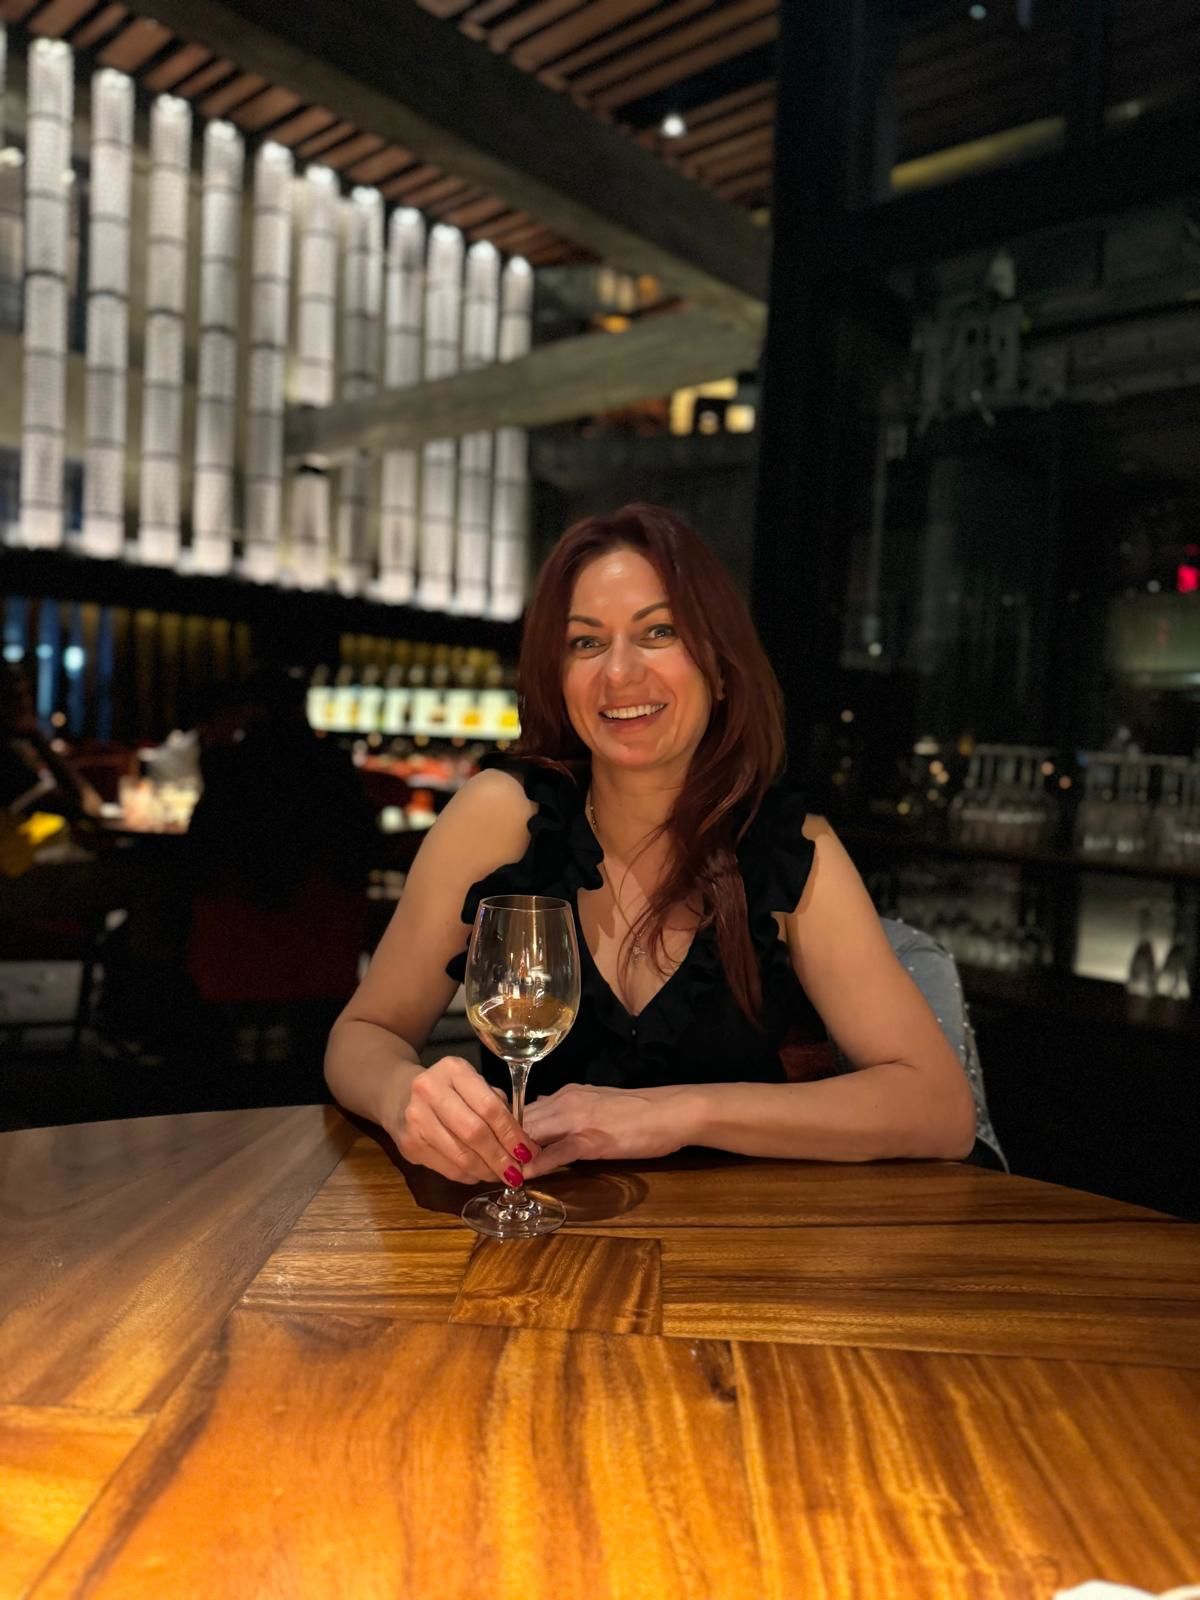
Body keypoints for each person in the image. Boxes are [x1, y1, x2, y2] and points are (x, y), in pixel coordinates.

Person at [325, 505, 978, 1188]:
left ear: (719, 668)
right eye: (586, 642)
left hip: (742, 1242)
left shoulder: (789, 847)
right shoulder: (501, 817)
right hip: (531, 1232)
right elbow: (363, 1035)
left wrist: (679, 1114)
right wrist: (405, 1097)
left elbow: (938, 1108)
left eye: (658, 632)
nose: (618, 672)